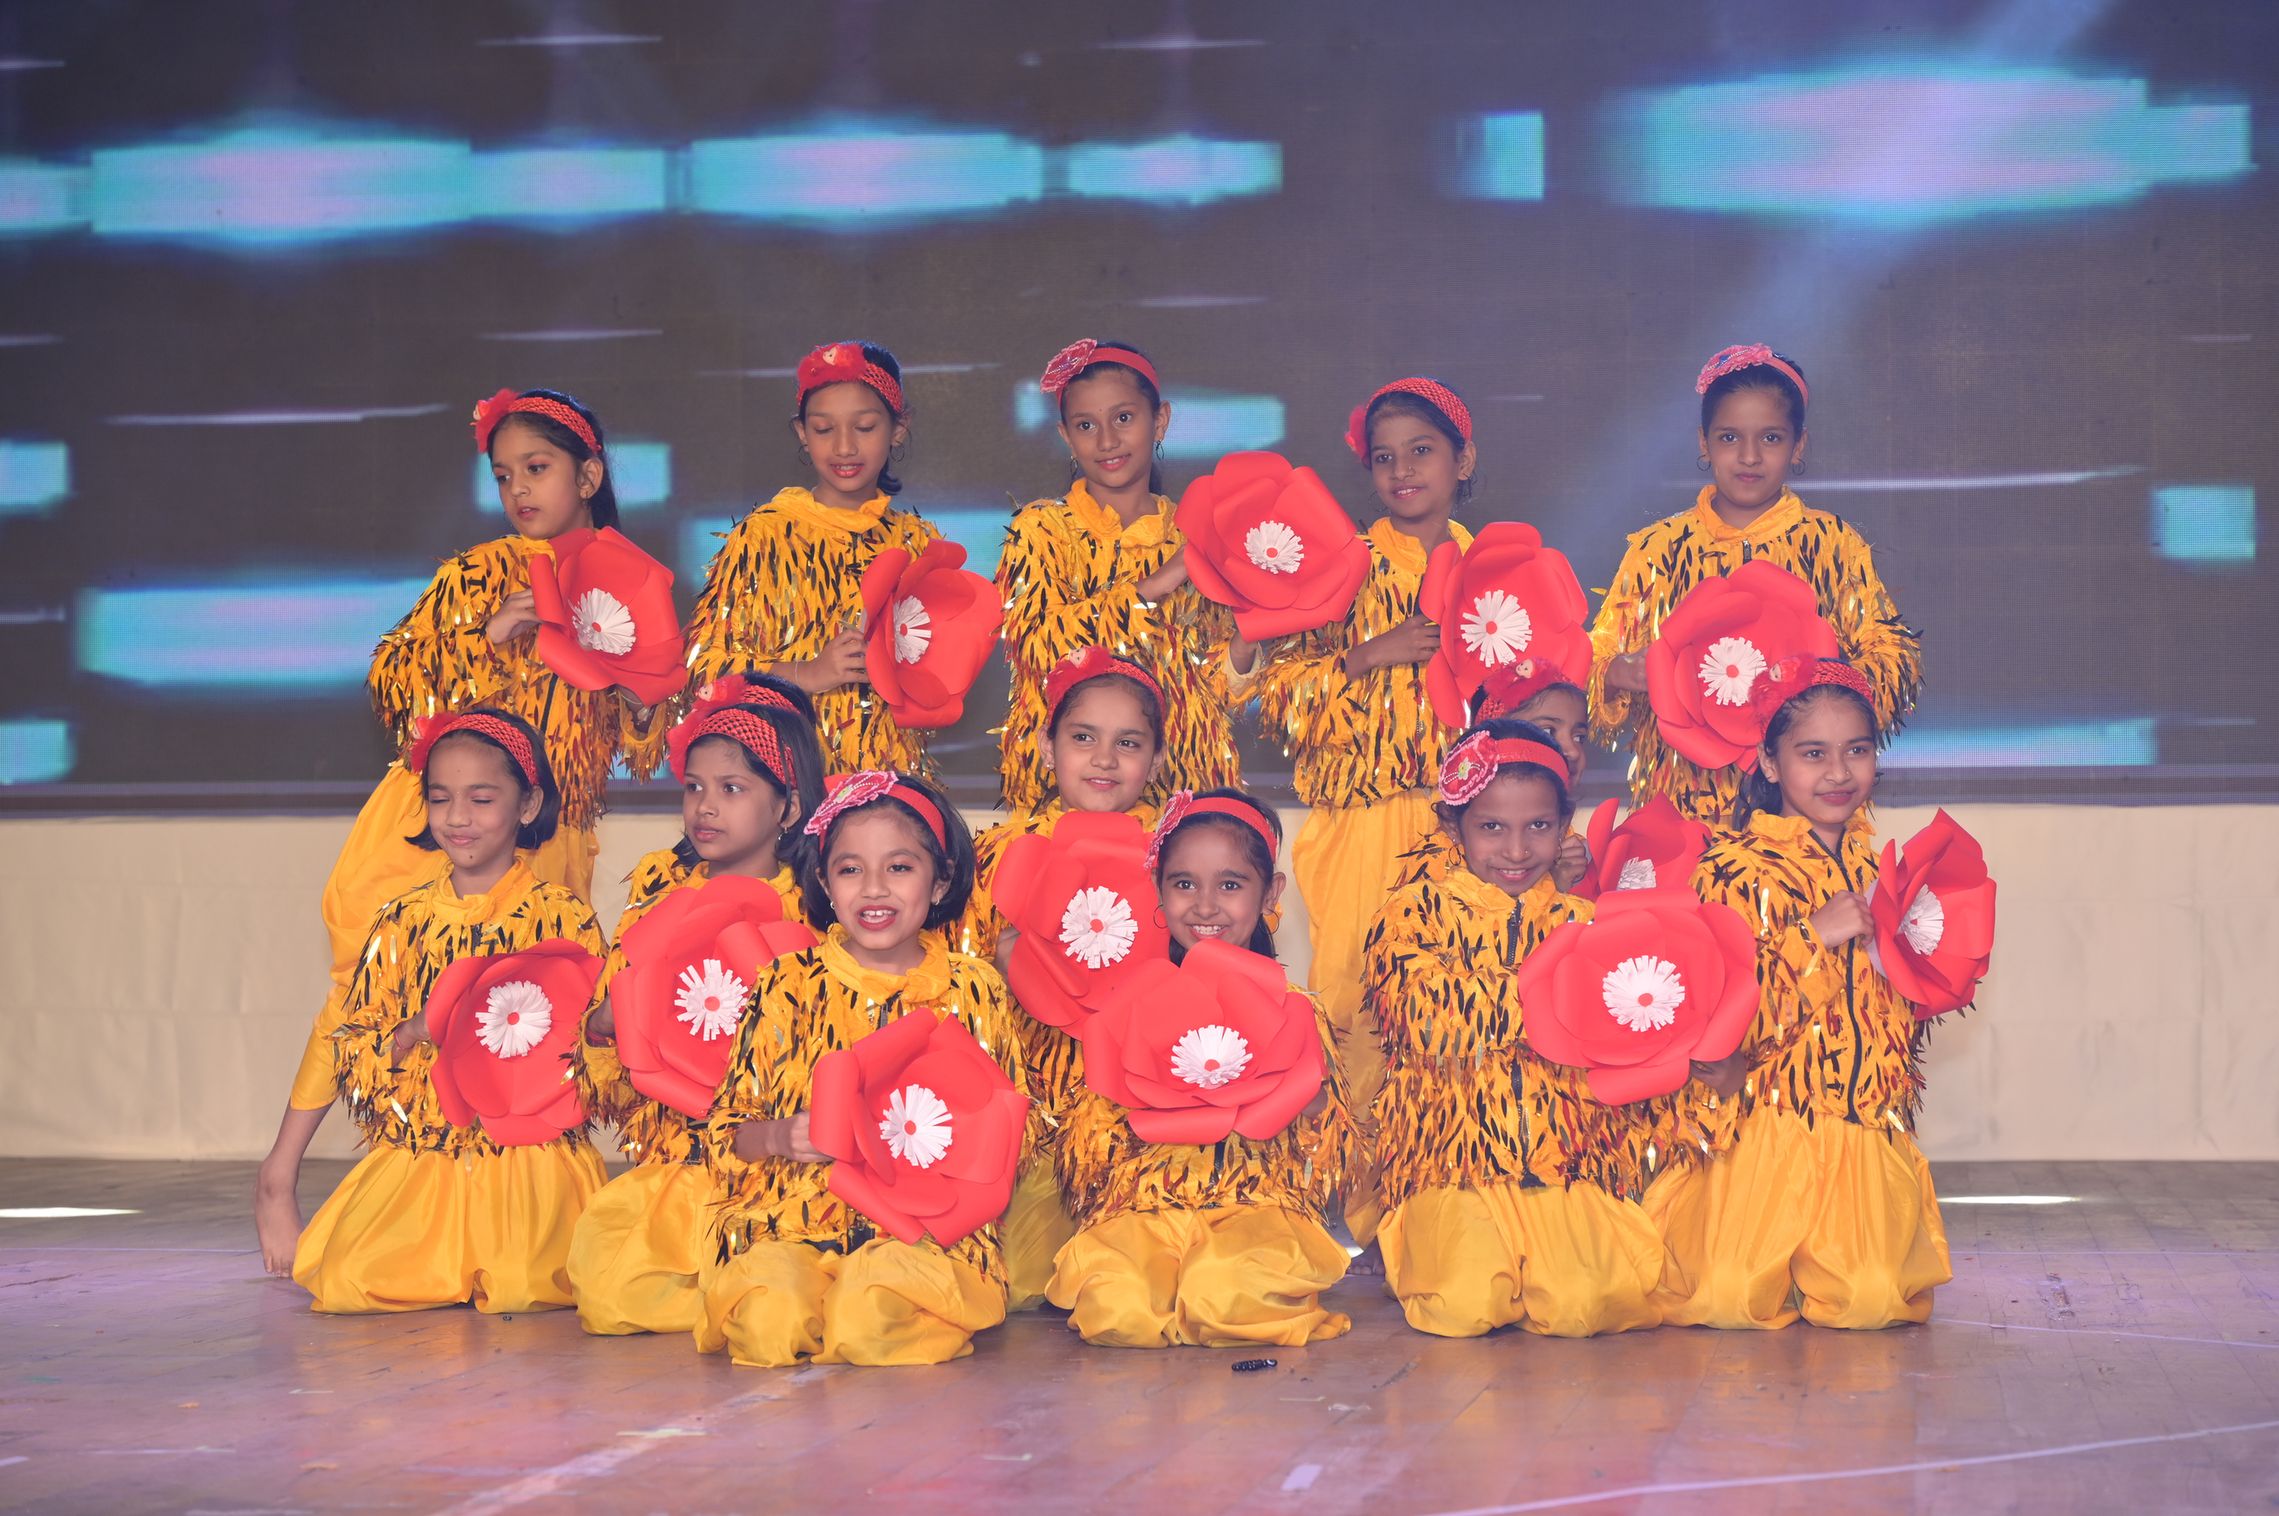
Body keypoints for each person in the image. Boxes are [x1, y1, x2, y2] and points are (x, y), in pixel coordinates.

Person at [290, 710, 608, 1313]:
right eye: (440, 799)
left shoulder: (562, 917)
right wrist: (412, 1034)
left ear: (528, 803)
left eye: (481, 799)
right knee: (350, 1281)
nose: (458, 818)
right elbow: (357, 1042)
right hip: (425, 1154)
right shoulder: (400, 921)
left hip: (528, 1159)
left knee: (521, 1282)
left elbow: (587, 1044)